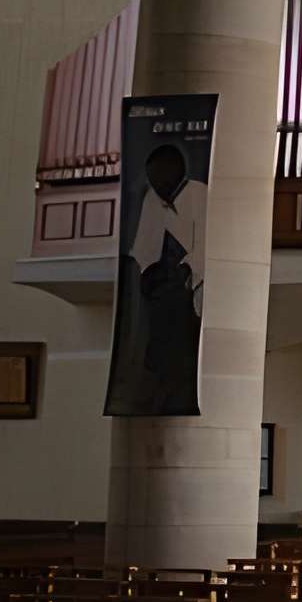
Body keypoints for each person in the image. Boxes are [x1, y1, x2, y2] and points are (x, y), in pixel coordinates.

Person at [129, 141, 207, 414]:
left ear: (176, 172)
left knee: (178, 325)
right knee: (156, 326)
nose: (155, 184)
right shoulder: (152, 199)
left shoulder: (200, 195)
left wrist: (185, 270)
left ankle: (174, 383)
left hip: (187, 279)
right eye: (151, 178)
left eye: (159, 177)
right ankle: (158, 378)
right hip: (163, 277)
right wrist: (147, 271)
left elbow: (206, 245)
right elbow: (144, 246)